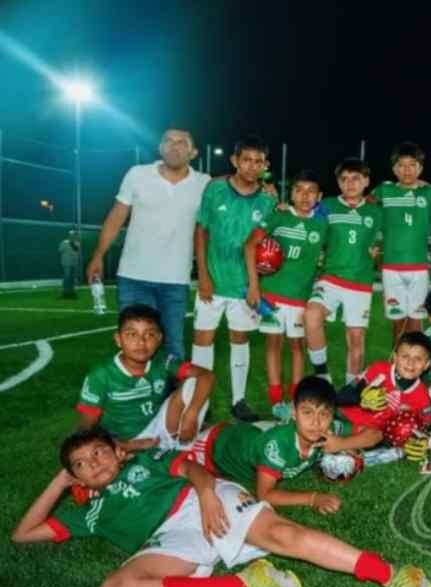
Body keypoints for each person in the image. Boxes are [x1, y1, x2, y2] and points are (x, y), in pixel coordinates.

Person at [11, 427, 431, 587]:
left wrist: (208, 493)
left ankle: (397, 576)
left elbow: (192, 469)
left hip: (201, 500)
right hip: (167, 538)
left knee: (282, 535)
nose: (93, 464)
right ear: (76, 478)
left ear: (118, 452)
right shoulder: (88, 512)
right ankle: (249, 582)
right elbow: (23, 534)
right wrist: (60, 480)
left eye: (99, 453)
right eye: (81, 465)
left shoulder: (144, 461)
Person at [87, 127, 210, 360]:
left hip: (175, 280)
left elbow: (234, 188)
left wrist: (265, 189)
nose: (175, 146)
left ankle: (172, 396)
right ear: (160, 147)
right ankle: (137, 395)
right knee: (134, 348)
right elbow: (116, 216)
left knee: (173, 348)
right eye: (169, 141)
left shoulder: (204, 184)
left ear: (193, 152)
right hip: (133, 277)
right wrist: (98, 254)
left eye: (182, 142)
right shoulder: (137, 174)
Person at [190, 376, 377, 512]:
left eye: (324, 414)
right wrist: (312, 498)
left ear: (332, 415)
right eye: (307, 413)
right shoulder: (277, 444)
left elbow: (375, 434)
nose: (316, 422)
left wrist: (342, 443)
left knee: (252, 435)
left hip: (244, 435)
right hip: (210, 449)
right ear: (294, 412)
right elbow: (264, 495)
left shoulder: (328, 430)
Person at [191, 136, 278, 421]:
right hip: (213, 282)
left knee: (239, 339)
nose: (252, 166)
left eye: (258, 162)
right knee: (203, 339)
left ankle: (239, 401)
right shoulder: (215, 189)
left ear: (265, 165)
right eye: (246, 160)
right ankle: (199, 403)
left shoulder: (268, 201)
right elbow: (201, 231)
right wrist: (203, 275)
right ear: (235, 161)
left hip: (244, 286)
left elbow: (266, 243)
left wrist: (257, 282)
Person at [243, 170, 328, 420]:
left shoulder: (323, 223)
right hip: (272, 294)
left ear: (319, 196)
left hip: (301, 297)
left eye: (311, 191)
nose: (304, 196)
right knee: (273, 345)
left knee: (297, 347)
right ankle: (276, 401)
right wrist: (254, 285)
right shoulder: (278, 216)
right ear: (290, 193)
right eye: (299, 190)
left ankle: (296, 399)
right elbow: (250, 244)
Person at [76, 304, 214, 453]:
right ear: (118, 339)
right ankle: (177, 450)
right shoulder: (101, 374)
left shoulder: (162, 360)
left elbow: (207, 375)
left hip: (160, 424)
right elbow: (85, 427)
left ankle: (182, 448)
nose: (141, 342)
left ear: (159, 338)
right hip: (123, 440)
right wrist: (126, 445)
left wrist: (191, 415)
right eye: (132, 334)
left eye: (149, 335)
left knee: (194, 383)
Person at [304, 158, 383, 385]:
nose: (350, 183)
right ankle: (322, 375)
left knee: (356, 339)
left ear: (366, 181)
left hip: (360, 283)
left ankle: (350, 388)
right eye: (344, 179)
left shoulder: (376, 212)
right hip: (330, 278)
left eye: (356, 178)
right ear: (338, 182)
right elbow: (308, 223)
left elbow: (389, 239)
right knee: (312, 315)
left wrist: (380, 253)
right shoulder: (326, 206)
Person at [370, 142, 431, 340]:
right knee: (397, 321)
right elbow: (363, 205)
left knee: (416, 321)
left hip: (419, 266)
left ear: (420, 168)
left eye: (412, 165)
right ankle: (398, 364)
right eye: (401, 165)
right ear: (394, 169)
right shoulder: (383, 191)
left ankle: (416, 365)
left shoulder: (430, 193)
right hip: (391, 266)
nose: (407, 170)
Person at [335, 332, 431, 440]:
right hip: (347, 416)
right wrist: (360, 399)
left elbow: (426, 426)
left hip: (372, 433)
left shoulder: (422, 396)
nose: (410, 363)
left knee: (374, 437)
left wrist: (409, 416)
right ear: (395, 357)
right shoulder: (379, 370)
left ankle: (343, 437)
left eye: (418, 359)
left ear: (427, 365)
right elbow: (341, 395)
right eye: (405, 356)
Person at [59, 229, 81, 299]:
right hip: (66, 263)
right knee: (67, 277)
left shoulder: (77, 243)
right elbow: (60, 250)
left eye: (74, 235)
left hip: (74, 264)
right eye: (72, 235)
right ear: (69, 235)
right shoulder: (64, 242)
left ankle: (71, 291)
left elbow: (77, 253)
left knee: (72, 278)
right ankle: (65, 292)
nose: (73, 236)